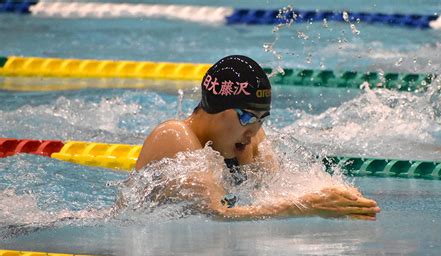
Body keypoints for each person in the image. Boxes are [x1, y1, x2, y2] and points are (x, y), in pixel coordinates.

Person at [136, 55, 380, 220]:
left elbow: (278, 188)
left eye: (262, 118)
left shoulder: (246, 141)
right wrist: (303, 207)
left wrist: (336, 195)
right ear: (218, 109)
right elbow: (216, 212)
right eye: (247, 117)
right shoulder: (173, 136)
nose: (254, 130)